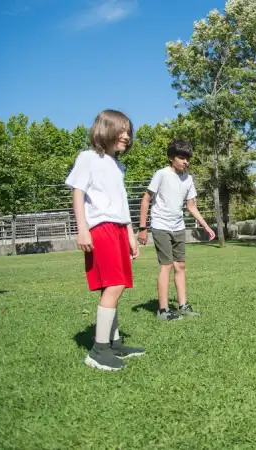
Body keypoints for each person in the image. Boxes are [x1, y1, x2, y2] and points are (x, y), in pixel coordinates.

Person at [66, 109, 145, 371]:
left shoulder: (117, 165)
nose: (126, 136)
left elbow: (121, 203)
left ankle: (114, 343)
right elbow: (78, 193)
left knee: (115, 286)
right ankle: (99, 351)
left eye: (128, 132)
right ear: (105, 130)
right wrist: (82, 228)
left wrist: (131, 234)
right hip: (101, 229)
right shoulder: (88, 158)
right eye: (121, 131)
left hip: (119, 229)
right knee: (113, 285)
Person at [137, 139, 215, 320]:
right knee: (166, 266)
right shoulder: (161, 174)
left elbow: (191, 206)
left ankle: (183, 306)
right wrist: (142, 228)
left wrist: (206, 226)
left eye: (187, 158)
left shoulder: (188, 179)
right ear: (172, 158)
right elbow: (146, 199)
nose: (185, 162)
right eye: (181, 158)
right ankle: (163, 310)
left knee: (180, 265)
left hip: (178, 226)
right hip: (160, 225)